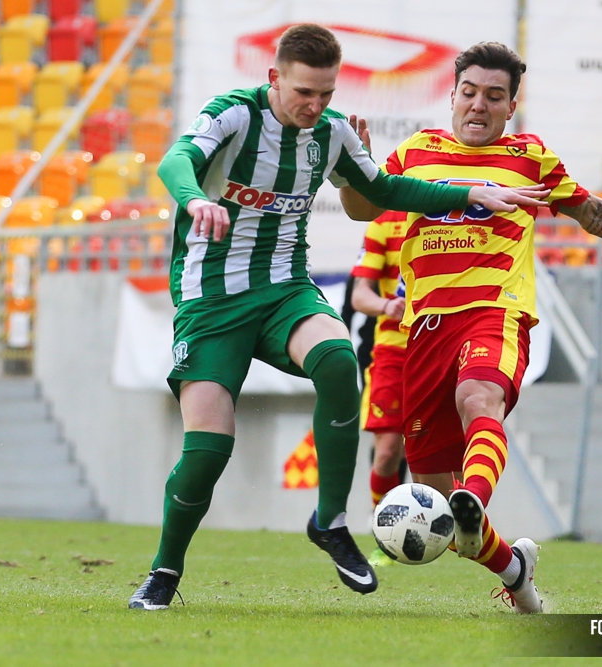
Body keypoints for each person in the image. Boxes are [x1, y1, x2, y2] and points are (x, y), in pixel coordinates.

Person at [128, 24, 549, 610]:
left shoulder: (331, 132)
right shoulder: (234, 115)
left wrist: (469, 193)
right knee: (207, 451)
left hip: (285, 291)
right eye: (304, 92)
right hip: (212, 301)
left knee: (337, 360)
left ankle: (329, 521)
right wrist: (195, 198)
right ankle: (165, 570)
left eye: (326, 93)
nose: (315, 105)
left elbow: (384, 192)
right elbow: (177, 161)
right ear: (274, 78)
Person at [340, 42, 602, 613]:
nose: (479, 105)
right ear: (453, 96)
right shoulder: (415, 151)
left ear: (511, 106)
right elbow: (363, 207)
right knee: (434, 501)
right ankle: (515, 570)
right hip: (424, 328)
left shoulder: (530, 156)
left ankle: (474, 496)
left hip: (495, 311)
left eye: (494, 96)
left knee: (478, 397)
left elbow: (591, 211)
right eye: (470, 92)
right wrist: (350, 171)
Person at [349, 210, 410, 566]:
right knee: (387, 452)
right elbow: (360, 295)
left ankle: (455, 535)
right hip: (392, 351)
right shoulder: (385, 222)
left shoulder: (455, 213)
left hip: (443, 347)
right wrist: (387, 305)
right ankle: (386, 537)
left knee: (440, 455)